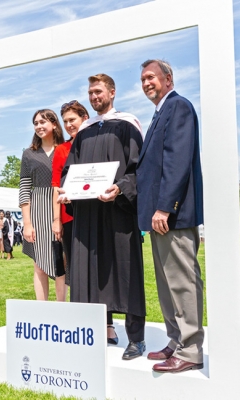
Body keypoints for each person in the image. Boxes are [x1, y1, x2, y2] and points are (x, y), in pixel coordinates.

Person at [59, 73, 146, 361]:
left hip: (117, 212)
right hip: (86, 214)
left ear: (112, 92)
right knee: (88, 273)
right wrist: (67, 191)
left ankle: (136, 338)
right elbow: (70, 171)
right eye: (91, 92)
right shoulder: (83, 132)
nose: (94, 96)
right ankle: (91, 332)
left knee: (125, 270)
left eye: (98, 91)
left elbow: (138, 170)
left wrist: (120, 188)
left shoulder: (127, 125)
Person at [136, 59, 204, 373]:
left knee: (182, 281)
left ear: (168, 78)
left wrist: (165, 206)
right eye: (143, 79)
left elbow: (177, 160)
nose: (146, 83)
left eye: (151, 77)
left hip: (172, 215)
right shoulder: (161, 111)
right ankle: (176, 340)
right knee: (166, 283)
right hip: (158, 218)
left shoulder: (179, 108)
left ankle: (190, 351)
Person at [20, 109, 66, 301]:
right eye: (36, 123)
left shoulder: (65, 149)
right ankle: (42, 308)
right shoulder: (29, 154)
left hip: (61, 206)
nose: (39, 126)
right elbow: (24, 188)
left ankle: (62, 307)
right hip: (37, 208)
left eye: (43, 122)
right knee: (39, 263)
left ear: (54, 124)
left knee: (61, 261)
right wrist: (27, 223)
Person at [52, 100, 90, 287]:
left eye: (72, 120)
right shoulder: (61, 150)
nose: (68, 125)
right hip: (69, 218)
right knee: (73, 265)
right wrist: (56, 220)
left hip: (94, 213)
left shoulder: (96, 144)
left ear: (85, 118)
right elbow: (55, 188)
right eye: (65, 121)